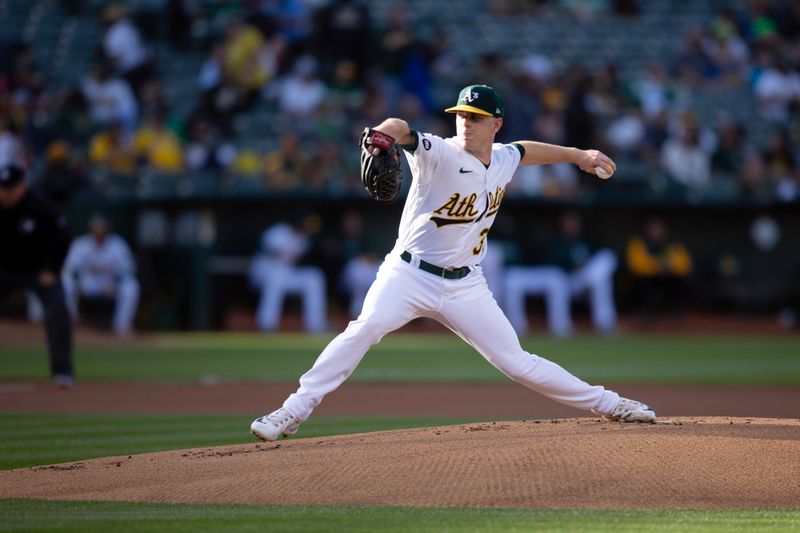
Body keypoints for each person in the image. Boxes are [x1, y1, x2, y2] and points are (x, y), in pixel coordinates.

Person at [251, 84, 655, 442]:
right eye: (461, 115)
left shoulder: (501, 158)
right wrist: (380, 137)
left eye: (476, 117)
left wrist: (578, 155)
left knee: (517, 362)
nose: (466, 122)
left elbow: (526, 150)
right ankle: (292, 410)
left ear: (496, 124)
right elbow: (399, 126)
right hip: (408, 273)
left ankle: (610, 403)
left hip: (466, 285)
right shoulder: (439, 153)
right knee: (366, 327)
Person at [0, 164, 75, 388]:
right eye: (3, 188)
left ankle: (62, 371)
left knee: (59, 310)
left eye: (10, 188)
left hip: (37, 270)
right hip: (4, 270)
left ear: (22, 186)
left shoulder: (39, 206)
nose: (6, 192)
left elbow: (64, 236)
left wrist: (52, 269)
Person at [504, 210, 618, 337]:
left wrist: (585, 266)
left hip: (584, 278)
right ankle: (560, 328)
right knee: (555, 280)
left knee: (602, 272)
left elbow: (602, 254)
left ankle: (605, 324)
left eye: (573, 222)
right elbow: (556, 264)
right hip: (565, 279)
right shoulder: (557, 241)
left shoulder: (588, 238)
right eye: (567, 222)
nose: (571, 225)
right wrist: (574, 266)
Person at [62, 214, 140, 337]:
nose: (99, 234)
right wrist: (79, 284)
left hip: (110, 284)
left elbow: (128, 271)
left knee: (131, 287)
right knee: (66, 282)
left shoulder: (117, 245)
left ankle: (122, 326)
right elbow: (70, 269)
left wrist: (113, 285)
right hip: (88, 284)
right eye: (96, 231)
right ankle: (70, 323)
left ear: (107, 231)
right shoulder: (82, 244)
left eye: (102, 231)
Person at [249, 217, 328, 333]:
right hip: (264, 272)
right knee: (276, 277)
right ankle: (266, 324)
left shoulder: (304, 240)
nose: (305, 231)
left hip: (286, 273)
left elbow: (294, 260)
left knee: (313, 277)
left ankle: (315, 324)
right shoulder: (277, 232)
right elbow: (267, 251)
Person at [625, 216, 693, 321]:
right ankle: (645, 312)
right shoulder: (639, 242)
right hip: (647, 281)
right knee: (642, 282)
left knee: (680, 280)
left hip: (669, 280)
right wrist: (658, 266)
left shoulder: (673, 243)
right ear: (647, 229)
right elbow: (636, 265)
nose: (656, 231)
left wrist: (669, 267)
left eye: (659, 228)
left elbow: (685, 265)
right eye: (653, 228)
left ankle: (675, 312)